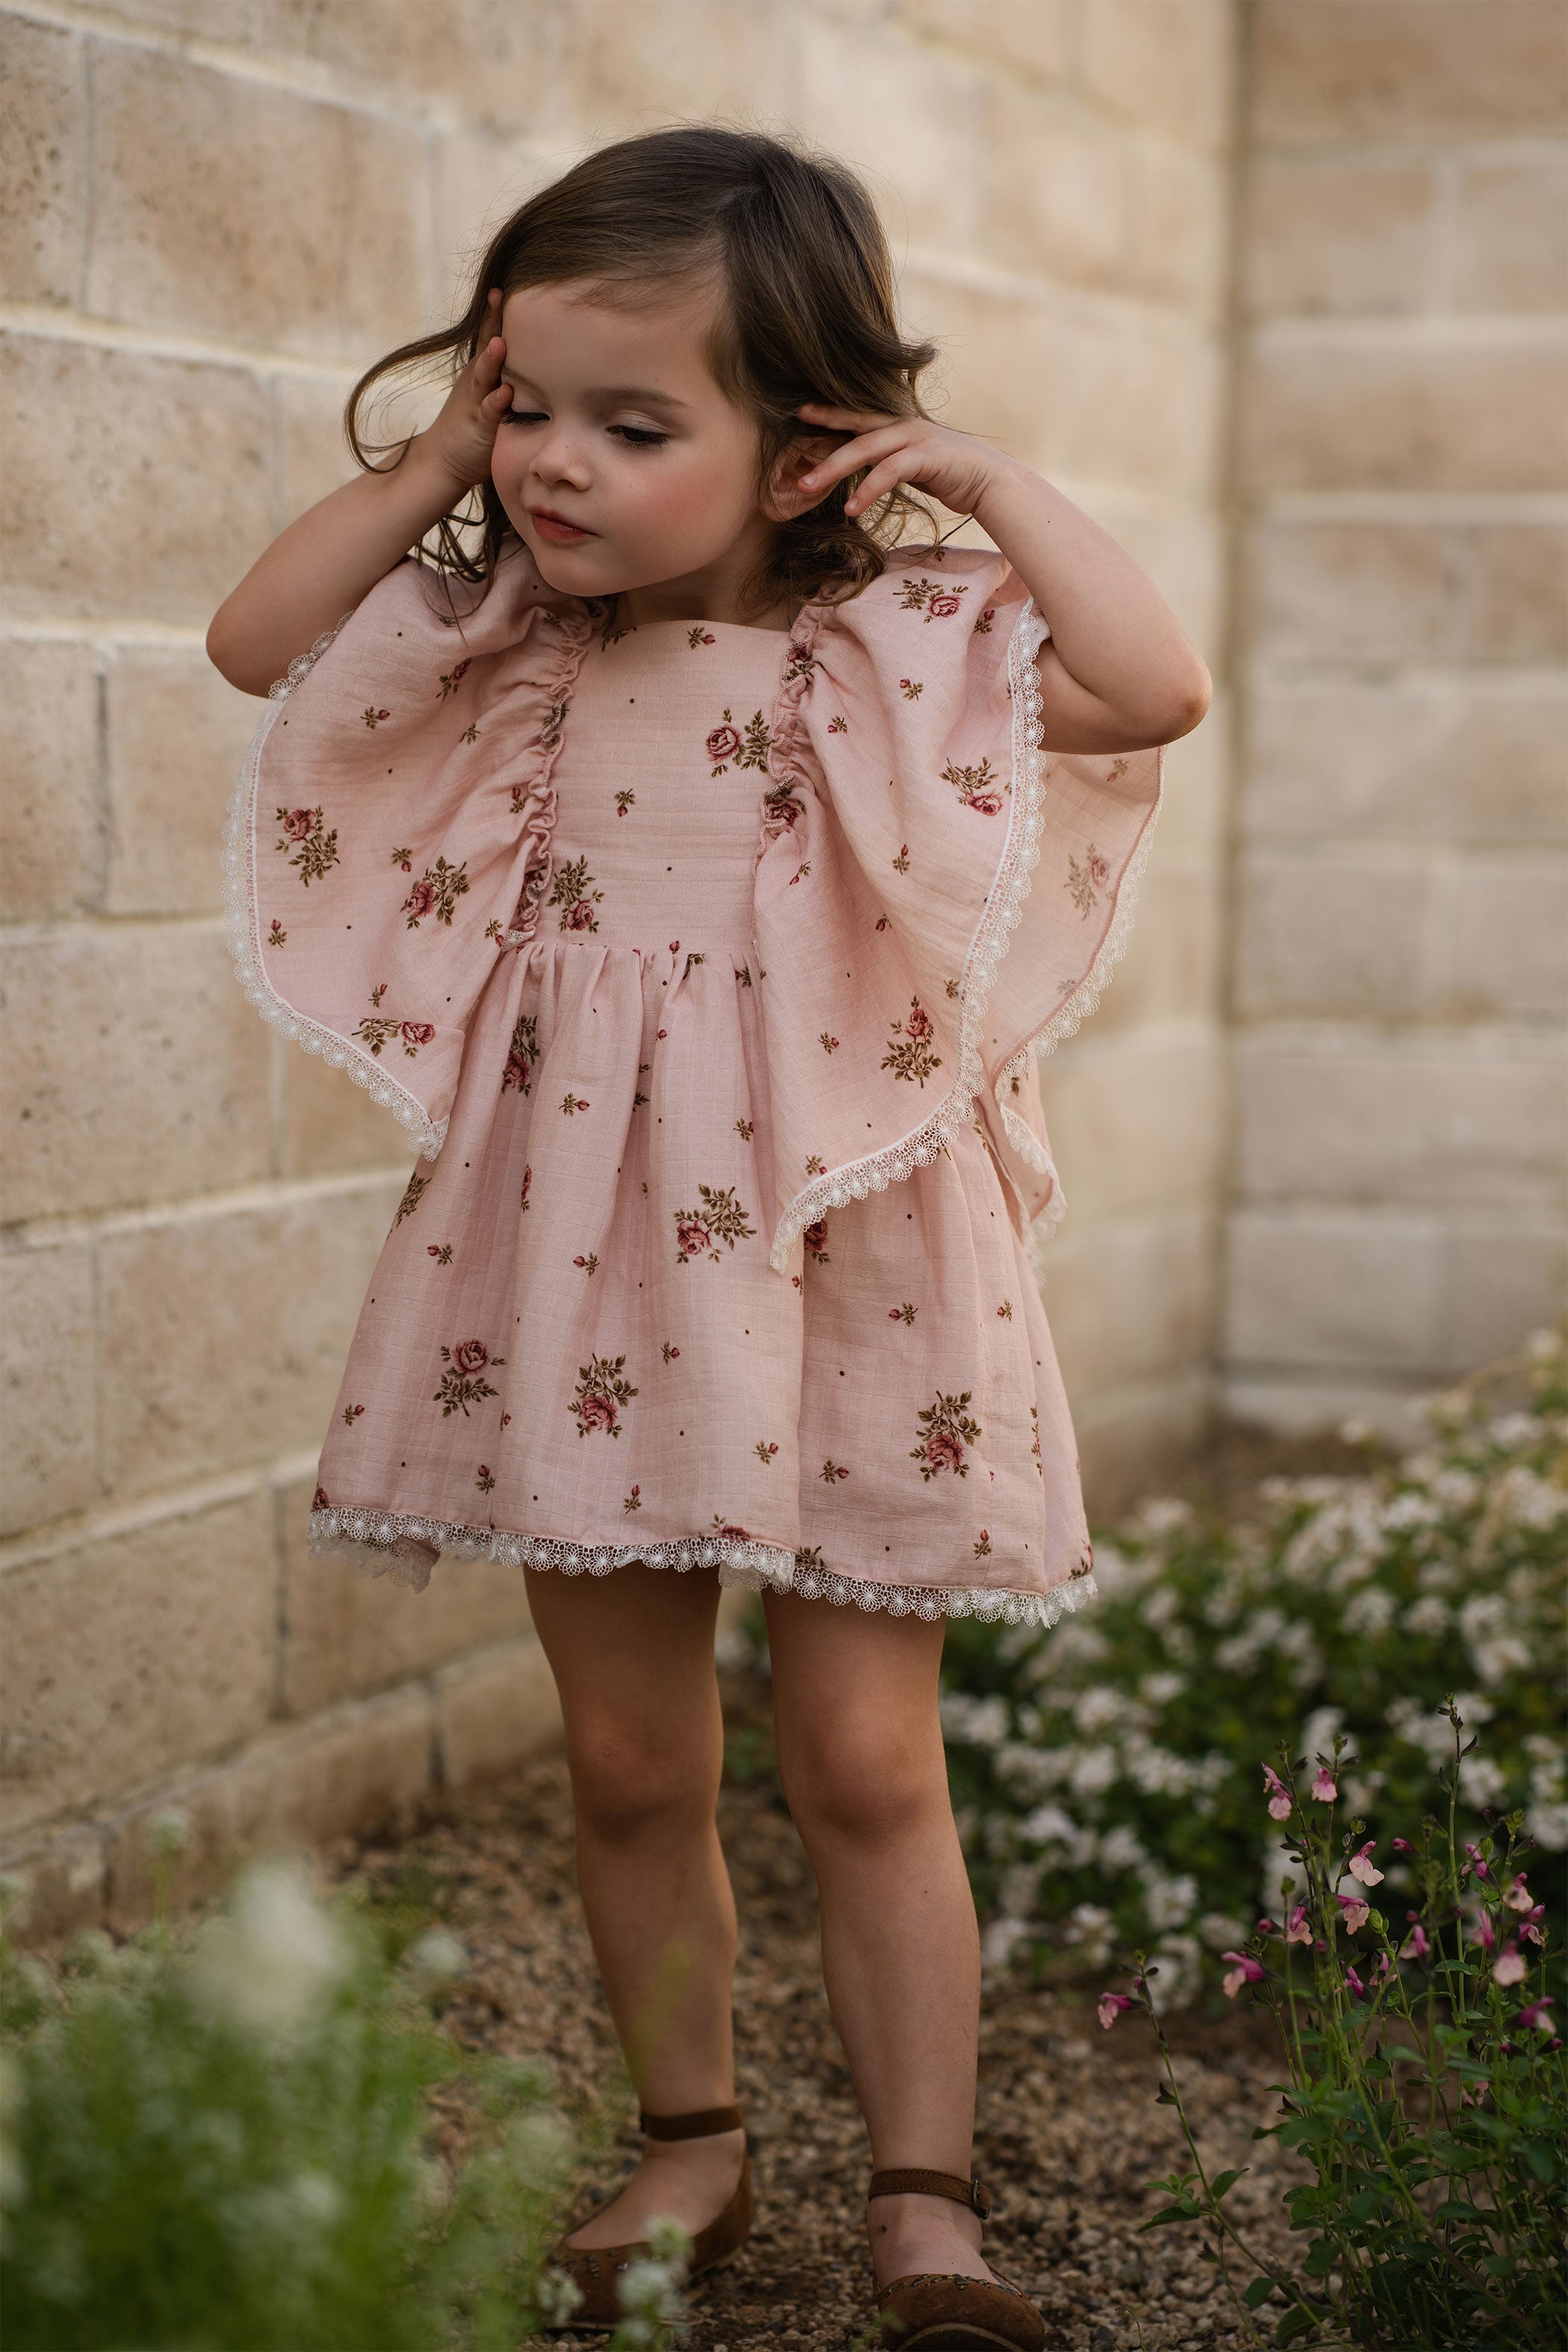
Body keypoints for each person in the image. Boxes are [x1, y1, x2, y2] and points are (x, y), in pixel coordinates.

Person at [208, 124, 1210, 2348]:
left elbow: (1149, 688)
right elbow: (251, 639)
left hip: (854, 1241)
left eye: (629, 424)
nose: (553, 463)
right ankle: (692, 2142)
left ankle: (924, 2202)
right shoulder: (509, 649)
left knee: (864, 1755)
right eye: (527, 405)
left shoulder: (901, 667)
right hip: (586, 1259)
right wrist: (439, 457)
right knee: (634, 1756)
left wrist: (980, 476)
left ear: (794, 455)